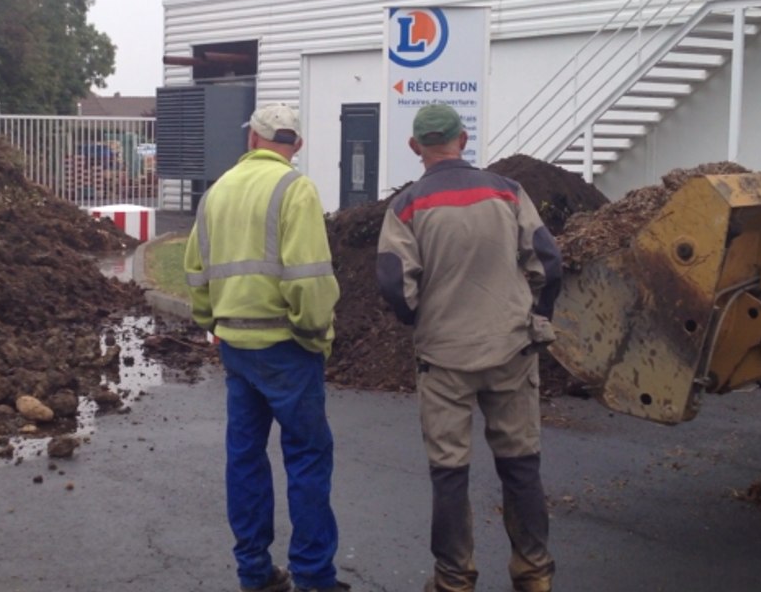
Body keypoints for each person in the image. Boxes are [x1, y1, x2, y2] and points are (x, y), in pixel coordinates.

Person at [376, 104, 562, 592]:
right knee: (521, 464)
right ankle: (534, 572)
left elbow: (395, 283)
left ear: (416, 148)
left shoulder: (407, 206)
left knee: (449, 470)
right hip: (511, 348)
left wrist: (421, 317)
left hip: (444, 357)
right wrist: (537, 315)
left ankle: (454, 579)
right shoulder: (507, 191)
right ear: (463, 139)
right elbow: (548, 259)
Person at [185, 102, 350, 592]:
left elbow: (196, 271)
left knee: (245, 456)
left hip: (235, 343)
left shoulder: (216, 193)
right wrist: (317, 337)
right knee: (306, 457)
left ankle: (254, 571)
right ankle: (315, 577)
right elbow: (310, 280)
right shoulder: (294, 189)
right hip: (287, 347)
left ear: (252, 140)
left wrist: (209, 323)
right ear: (294, 146)